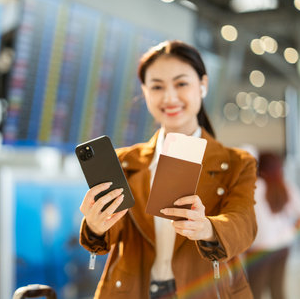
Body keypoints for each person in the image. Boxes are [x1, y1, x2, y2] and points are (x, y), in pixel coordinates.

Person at [79, 40, 257, 299]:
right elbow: (115, 232)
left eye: (181, 83)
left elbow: (244, 223)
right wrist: (95, 225)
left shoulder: (237, 163)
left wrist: (207, 227)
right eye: (157, 87)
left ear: (203, 85)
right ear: (145, 91)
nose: (170, 97)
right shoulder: (125, 161)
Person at [245, 152, 300, 299]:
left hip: (259, 249)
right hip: (282, 246)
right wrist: (291, 231)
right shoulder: (285, 186)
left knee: (255, 292)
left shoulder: (253, 187)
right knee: (278, 291)